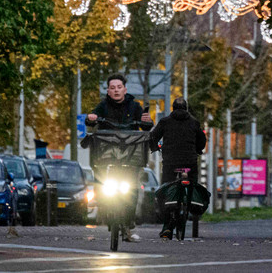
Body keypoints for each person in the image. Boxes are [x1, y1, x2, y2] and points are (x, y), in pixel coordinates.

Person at [86, 74, 152, 241]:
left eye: (119, 87)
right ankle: (102, 203)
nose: (116, 90)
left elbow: (146, 126)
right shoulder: (102, 106)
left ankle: (129, 224)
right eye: (112, 88)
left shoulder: (135, 106)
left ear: (125, 89)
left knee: (132, 189)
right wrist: (91, 118)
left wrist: (147, 121)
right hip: (107, 157)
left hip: (130, 157)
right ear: (108, 91)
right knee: (101, 180)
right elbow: (91, 119)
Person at [146, 96, 207, 239]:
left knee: (166, 189)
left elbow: (153, 137)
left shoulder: (165, 122)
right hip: (189, 163)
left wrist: (155, 148)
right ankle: (190, 201)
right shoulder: (194, 122)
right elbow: (202, 141)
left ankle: (167, 227)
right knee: (192, 184)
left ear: (172, 108)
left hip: (170, 163)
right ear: (186, 108)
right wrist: (197, 150)